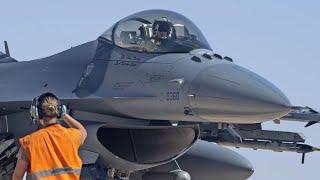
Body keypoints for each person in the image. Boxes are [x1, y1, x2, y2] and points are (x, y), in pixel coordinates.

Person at [13, 92, 87, 180]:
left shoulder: (28, 143)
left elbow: (17, 177)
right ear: (60, 111)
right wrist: (64, 115)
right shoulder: (72, 135)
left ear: (36, 113)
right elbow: (83, 131)